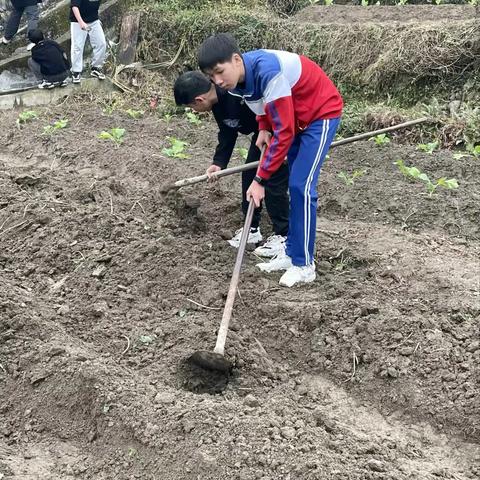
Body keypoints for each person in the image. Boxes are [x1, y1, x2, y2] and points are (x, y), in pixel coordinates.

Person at [198, 33, 343, 287]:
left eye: (220, 72)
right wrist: (264, 126)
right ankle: (292, 253)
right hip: (297, 118)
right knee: (294, 185)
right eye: (212, 78)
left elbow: (284, 132)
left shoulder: (267, 71)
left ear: (236, 60)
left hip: (319, 114)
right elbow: (265, 103)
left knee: (301, 186)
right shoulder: (240, 81)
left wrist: (260, 180)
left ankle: (304, 264)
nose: (218, 81)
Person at [173, 70, 289, 257]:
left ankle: (284, 235)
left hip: (281, 130)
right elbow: (227, 132)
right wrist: (218, 163)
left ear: (199, 100)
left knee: (274, 182)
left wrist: (270, 132)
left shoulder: (234, 92)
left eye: (191, 107)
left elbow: (271, 106)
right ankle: (251, 229)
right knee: (250, 176)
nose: (194, 111)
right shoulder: (217, 104)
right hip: (262, 135)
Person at [69, 0, 106, 84]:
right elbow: (74, 7)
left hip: (94, 21)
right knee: (77, 47)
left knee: (101, 43)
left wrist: (96, 18)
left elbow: (94, 6)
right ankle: (76, 72)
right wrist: (81, 22)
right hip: (77, 21)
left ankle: (96, 68)